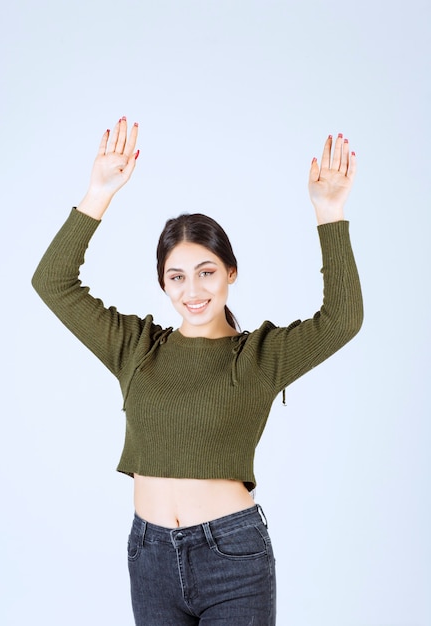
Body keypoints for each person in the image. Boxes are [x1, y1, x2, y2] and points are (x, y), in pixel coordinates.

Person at [32, 117, 363, 625]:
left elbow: (341, 320)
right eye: (177, 276)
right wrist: (99, 193)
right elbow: (52, 281)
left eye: (207, 272)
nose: (193, 291)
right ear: (163, 283)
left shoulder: (260, 356)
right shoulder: (136, 348)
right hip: (150, 555)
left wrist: (329, 211)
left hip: (232, 554)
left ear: (230, 272)